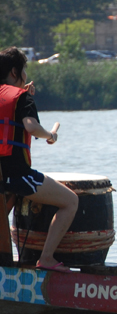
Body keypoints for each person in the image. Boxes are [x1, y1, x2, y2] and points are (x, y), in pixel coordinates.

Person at [0, 47, 77, 271]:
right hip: (16, 176)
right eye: (24, 70)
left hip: (2, 179)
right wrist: (50, 135)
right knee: (70, 202)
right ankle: (46, 258)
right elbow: (31, 127)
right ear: (15, 72)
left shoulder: (17, 96)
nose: (25, 74)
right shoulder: (22, 98)